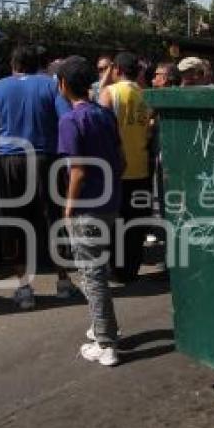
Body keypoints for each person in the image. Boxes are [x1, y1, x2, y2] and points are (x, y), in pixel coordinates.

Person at [0, 45, 75, 309]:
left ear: (13, 64)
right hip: (45, 159)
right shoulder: (50, 86)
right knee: (52, 218)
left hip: (10, 161)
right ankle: (64, 281)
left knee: (14, 223)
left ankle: (24, 289)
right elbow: (66, 118)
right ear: (38, 65)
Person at [56, 55, 124, 367]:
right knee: (97, 270)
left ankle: (106, 342)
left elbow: (77, 172)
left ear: (63, 85)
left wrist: (68, 207)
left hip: (88, 207)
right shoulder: (104, 114)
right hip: (110, 202)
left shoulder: (70, 120)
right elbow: (120, 160)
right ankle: (103, 325)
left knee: (91, 273)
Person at [99, 52, 151, 283]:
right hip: (140, 166)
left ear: (117, 70)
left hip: (116, 168)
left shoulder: (110, 93)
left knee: (114, 223)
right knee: (135, 223)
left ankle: (116, 268)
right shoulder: (144, 95)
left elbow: (99, 124)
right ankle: (130, 269)